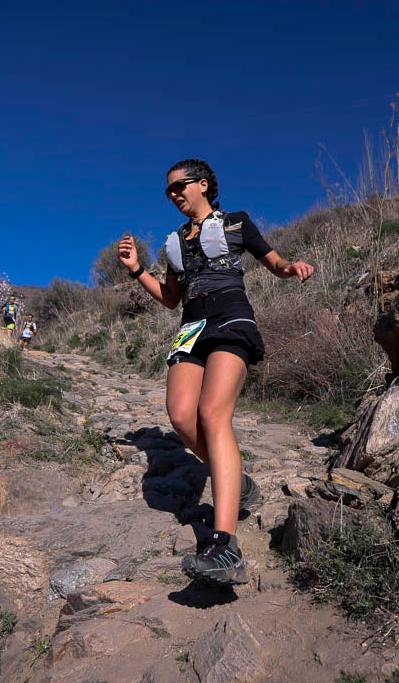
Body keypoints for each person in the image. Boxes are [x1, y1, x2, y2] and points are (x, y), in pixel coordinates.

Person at [117, 158, 315, 585]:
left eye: (179, 186)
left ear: (202, 185)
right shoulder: (175, 242)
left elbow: (273, 262)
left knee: (212, 414)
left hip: (230, 315)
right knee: (182, 415)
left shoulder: (236, 223)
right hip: (191, 326)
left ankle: (225, 544)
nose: (173, 194)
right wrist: (137, 271)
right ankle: (236, 481)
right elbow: (170, 298)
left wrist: (291, 267)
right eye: (167, 190)